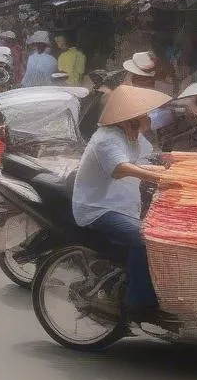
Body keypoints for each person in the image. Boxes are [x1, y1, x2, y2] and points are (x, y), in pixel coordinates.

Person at [72, 84, 175, 320]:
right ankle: (138, 303)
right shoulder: (107, 139)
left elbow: (145, 161)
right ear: (130, 118)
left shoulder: (132, 137)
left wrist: (172, 166)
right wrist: (160, 176)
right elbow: (121, 168)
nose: (149, 118)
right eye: (144, 115)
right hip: (99, 209)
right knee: (145, 240)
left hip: (123, 206)